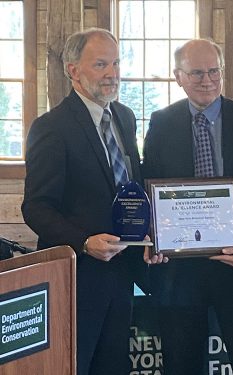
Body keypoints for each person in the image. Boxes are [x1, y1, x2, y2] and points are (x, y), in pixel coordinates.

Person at [142, 39, 233, 375]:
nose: (206, 80)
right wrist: (154, 237)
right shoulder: (160, 123)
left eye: (213, 71)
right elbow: (148, 191)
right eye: (196, 72)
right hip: (180, 273)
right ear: (177, 76)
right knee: (182, 367)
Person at [22, 28, 147, 375]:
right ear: (73, 70)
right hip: (78, 279)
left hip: (123, 273)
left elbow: (131, 186)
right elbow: (35, 206)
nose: (112, 73)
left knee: (114, 367)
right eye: (101, 64)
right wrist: (83, 242)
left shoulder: (124, 117)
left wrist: (151, 237)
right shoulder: (51, 127)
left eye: (116, 63)